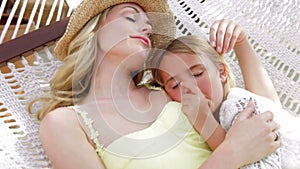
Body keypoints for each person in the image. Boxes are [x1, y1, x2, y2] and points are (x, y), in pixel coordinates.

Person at [28, 1, 280, 169]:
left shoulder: (171, 91)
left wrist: (242, 44)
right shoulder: (64, 123)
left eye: (147, 26)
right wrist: (232, 153)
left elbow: (269, 119)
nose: (147, 27)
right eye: (130, 17)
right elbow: (238, 147)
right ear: (93, 31)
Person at [148, 21, 300, 168]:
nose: (189, 87)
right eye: (176, 85)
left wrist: (203, 120)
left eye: (197, 73)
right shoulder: (188, 127)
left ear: (222, 72)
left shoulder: (237, 105)